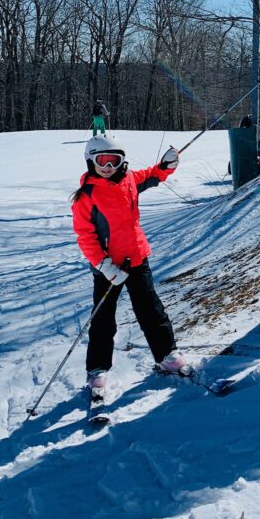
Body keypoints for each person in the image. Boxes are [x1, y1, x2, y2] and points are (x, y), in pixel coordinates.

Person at [71, 132, 189, 391]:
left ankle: (166, 355)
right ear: (91, 161)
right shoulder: (86, 195)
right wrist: (104, 266)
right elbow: (85, 235)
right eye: (102, 161)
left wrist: (165, 165)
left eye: (114, 160)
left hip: (137, 258)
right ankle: (97, 369)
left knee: (151, 310)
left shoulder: (128, 180)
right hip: (109, 268)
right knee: (103, 319)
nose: (108, 167)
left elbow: (151, 175)